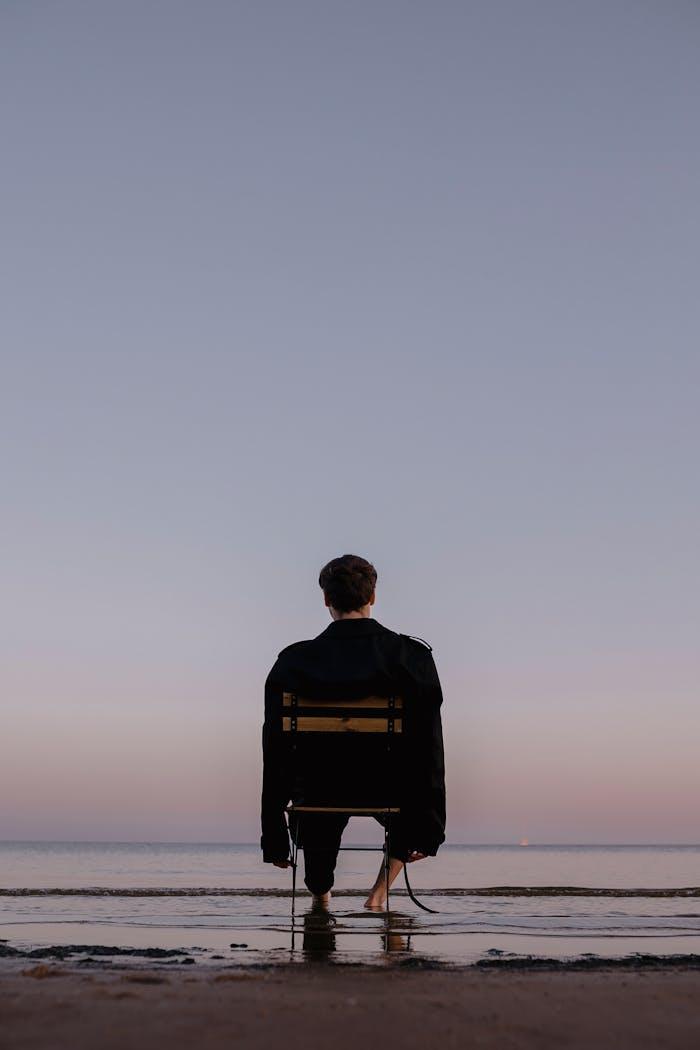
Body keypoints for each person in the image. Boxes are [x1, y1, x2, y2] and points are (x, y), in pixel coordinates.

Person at [261, 554, 446, 909]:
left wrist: (274, 836)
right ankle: (378, 896)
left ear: (327, 600)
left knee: (315, 804)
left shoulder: (292, 661)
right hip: (389, 788)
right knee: (409, 792)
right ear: (372, 597)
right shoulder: (412, 658)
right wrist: (431, 828)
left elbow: (275, 751)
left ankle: (320, 895)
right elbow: (430, 749)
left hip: (317, 790)